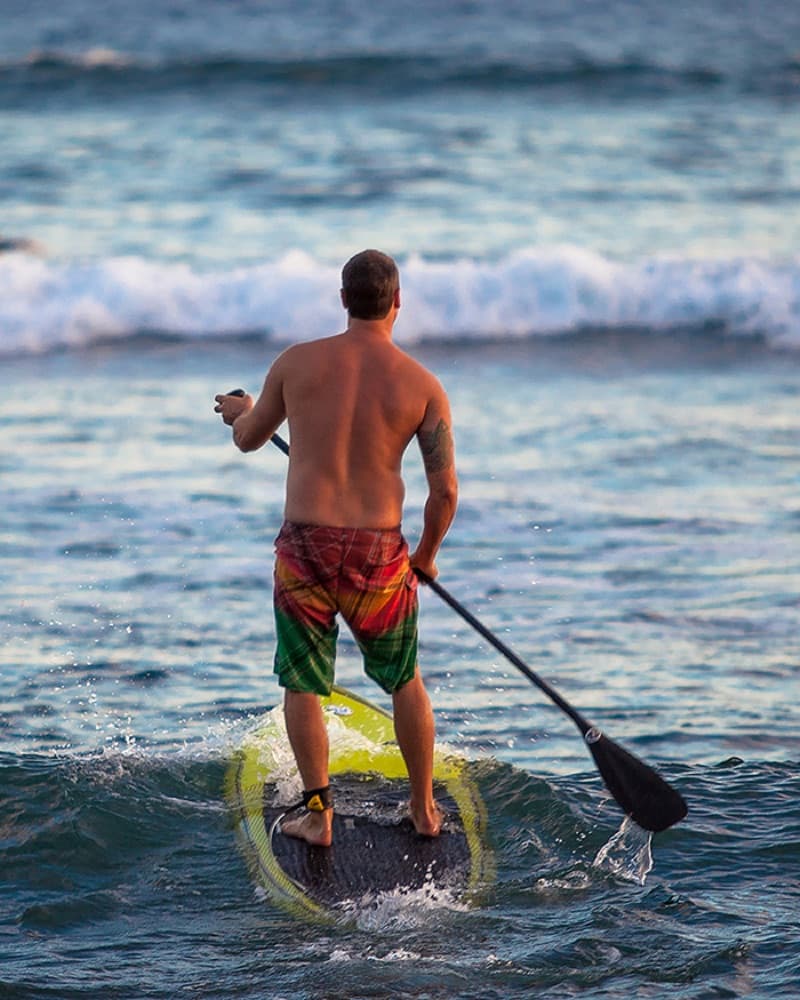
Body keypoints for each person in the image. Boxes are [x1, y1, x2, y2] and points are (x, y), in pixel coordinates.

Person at [214, 249, 457, 848]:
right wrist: (425, 556)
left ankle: (319, 816)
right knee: (405, 680)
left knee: (303, 683)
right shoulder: (422, 386)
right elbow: (444, 492)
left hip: (306, 549)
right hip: (379, 554)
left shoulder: (297, 364)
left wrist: (242, 412)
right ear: (398, 302)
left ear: (342, 299)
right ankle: (424, 810)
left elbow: (249, 439)